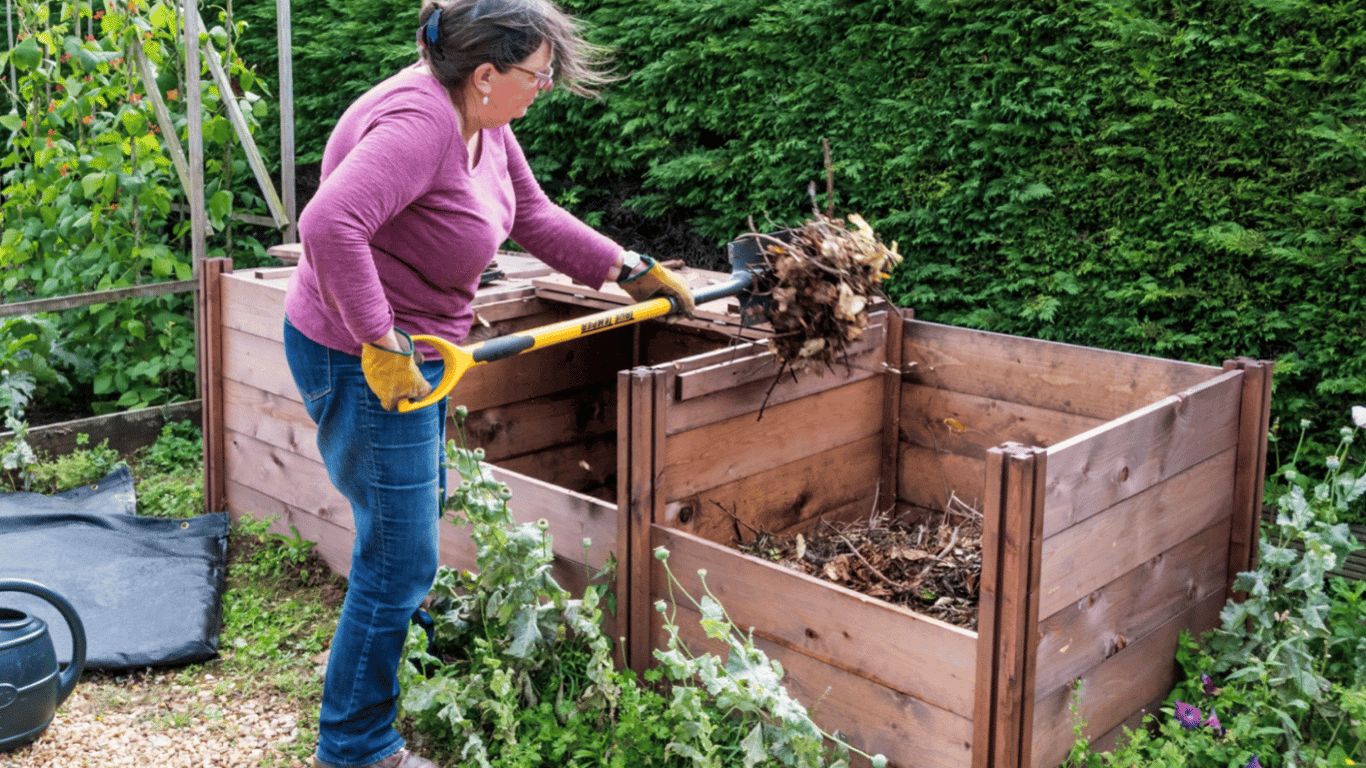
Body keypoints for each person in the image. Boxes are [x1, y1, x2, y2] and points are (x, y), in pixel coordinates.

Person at [281, 1, 695, 766]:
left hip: (420, 351)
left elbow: (533, 217)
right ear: (485, 73)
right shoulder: (421, 125)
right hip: (363, 355)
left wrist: (626, 268)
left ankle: (408, 653)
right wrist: (380, 340)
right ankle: (356, 746)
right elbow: (327, 224)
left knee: (415, 517)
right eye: (537, 76)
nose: (543, 89)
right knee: (399, 557)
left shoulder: (481, 121)